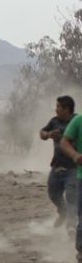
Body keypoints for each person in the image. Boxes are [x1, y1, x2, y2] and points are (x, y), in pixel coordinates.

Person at [40, 96, 77, 228]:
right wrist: (49, 134)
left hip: (74, 168)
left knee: (72, 198)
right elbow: (42, 132)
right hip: (57, 166)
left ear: (67, 109)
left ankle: (72, 228)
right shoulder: (54, 121)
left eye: (58, 107)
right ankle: (63, 212)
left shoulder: (77, 121)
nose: (56, 110)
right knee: (53, 194)